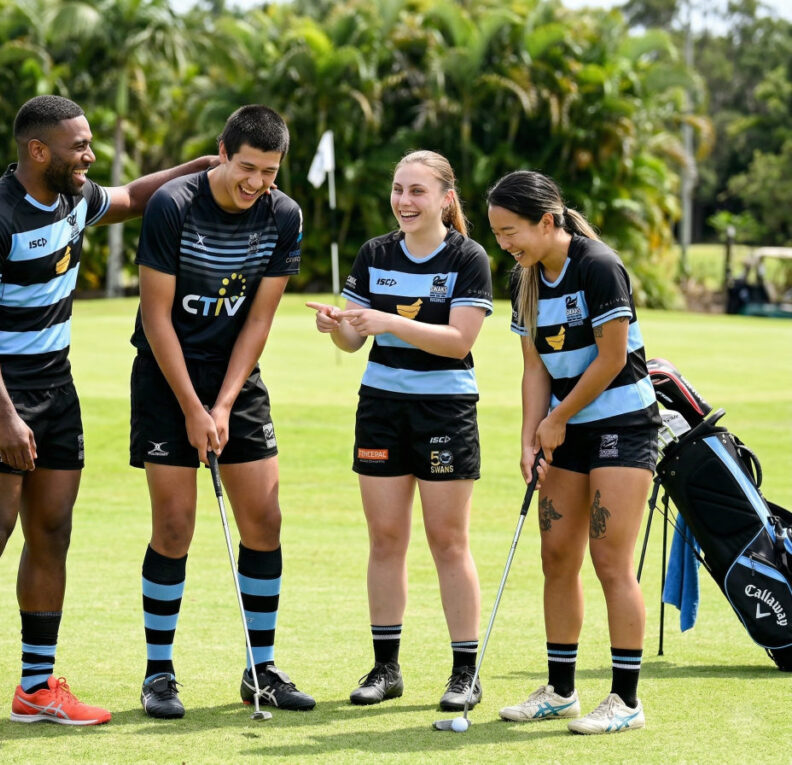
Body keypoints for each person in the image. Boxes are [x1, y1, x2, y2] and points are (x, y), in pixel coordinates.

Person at [0, 95, 216, 740]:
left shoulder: (73, 200)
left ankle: (35, 687)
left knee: (52, 531)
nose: (89, 156)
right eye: (78, 146)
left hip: (58, 389)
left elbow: (136, 197)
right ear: (38, 150)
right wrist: (4, 415)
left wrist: (202, 166)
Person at [129, 104, 315, 719]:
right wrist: (191, 405)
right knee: (175, 525)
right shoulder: (173, 206)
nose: (257, 183)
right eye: (246, 167)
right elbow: (157, 314)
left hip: (235, 373)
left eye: (269, 171)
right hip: (166, 375)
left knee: (263, 520)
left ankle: (260, 671)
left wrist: (225, 402)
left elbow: (260, 318)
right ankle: (159, 673)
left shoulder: (283, 214)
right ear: (222, 151)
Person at [308, 150, 493, 711]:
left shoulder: (468, 257)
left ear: (445, 198)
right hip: (382, 408)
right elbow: (353, 341)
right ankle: (386, 669)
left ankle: (466, 673)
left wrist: (389, 320)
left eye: (417, 191)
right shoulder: (374, 253)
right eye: (397, 190)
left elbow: (459, 341)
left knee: (448, 541)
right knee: (386, 540)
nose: (404, 201)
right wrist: (336, 327)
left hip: (444, 411)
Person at [487, 170, 660, 735]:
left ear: (547, 220)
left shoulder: (598, 266)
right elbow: (534, 366)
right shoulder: (527, 279)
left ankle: (626, 701)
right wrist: (529, 435)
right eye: (497, 234)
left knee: (610, 561)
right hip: (565, 431)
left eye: (512, 231)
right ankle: (561, 691)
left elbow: (611, 359)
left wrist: (556, 419)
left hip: (622, 424)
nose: (505, 244)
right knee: (557, 556)